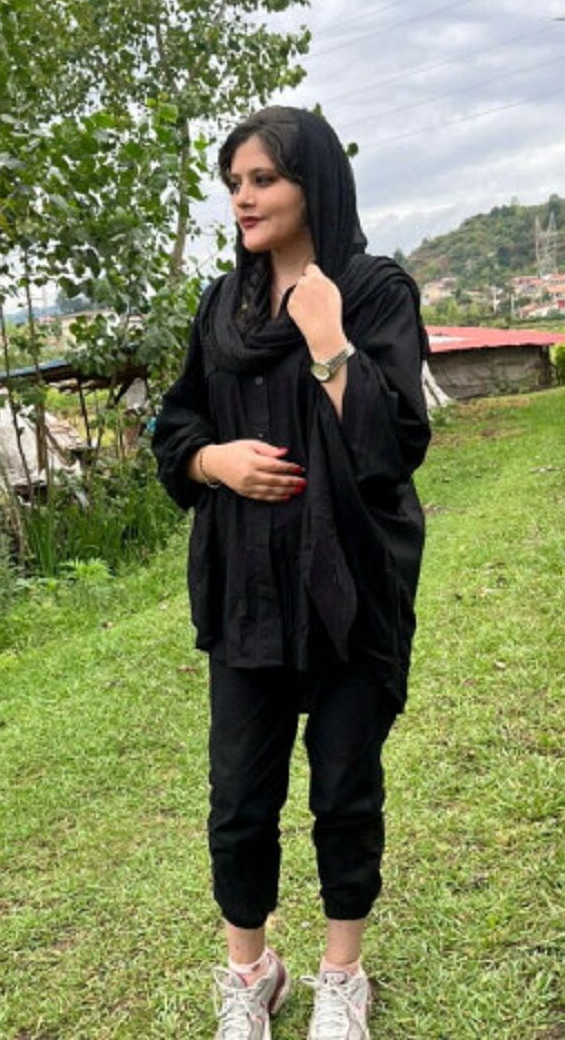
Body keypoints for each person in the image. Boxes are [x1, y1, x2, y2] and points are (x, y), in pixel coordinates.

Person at [152, 106, 431, 1040]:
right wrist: (213, 461)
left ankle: (341, 975)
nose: (243, 197)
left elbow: (394, 448)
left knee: (344, 789)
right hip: (248, 590)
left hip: (348, 583)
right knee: (239, 796)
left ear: (315, 184)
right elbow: (176, 424)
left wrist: (328, 340)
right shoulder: (222, 309)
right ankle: (251, 972)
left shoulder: (372, 291)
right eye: (235, 182)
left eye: (263, 179)